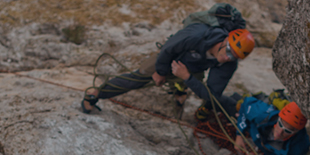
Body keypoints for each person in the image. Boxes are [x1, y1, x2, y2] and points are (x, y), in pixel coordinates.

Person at [81, 24, 256, 120]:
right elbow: (168, 49)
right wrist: (160, 71)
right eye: (228, 52)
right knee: (138, 78)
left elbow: (211, 94)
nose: (227, 58)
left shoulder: (228, 64)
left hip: (191, 70)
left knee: (185, 86)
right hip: (171, 58)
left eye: (233, 57)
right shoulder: (197, 34)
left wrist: (186, 77)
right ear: (225, 41)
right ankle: (95, 94)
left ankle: (179, 95)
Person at [235, 99, 310, 155]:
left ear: (296, 132)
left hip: (259, 143)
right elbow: (245, 105)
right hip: (248, 126)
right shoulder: (261, 114)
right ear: (279, 117)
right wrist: (239, 135)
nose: (280, 132)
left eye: (287, 131)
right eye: (280, 124)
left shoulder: (299, 147)